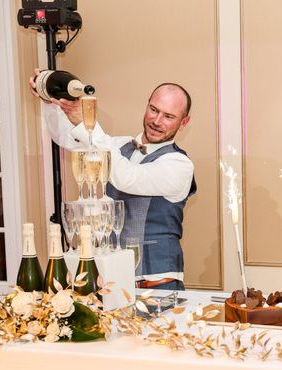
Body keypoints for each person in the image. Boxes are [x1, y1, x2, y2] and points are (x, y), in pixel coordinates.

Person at [29, 70, 196, 290]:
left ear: (184, 122)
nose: (156, 121)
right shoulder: (118, 145)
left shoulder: (180, 165)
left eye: (168, 116)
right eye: (153, 110)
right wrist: (50, 101)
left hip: (156, 283)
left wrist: (88, 124)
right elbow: (66, 138)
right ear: (146, 105)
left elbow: (127, 178)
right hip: (112, 278)